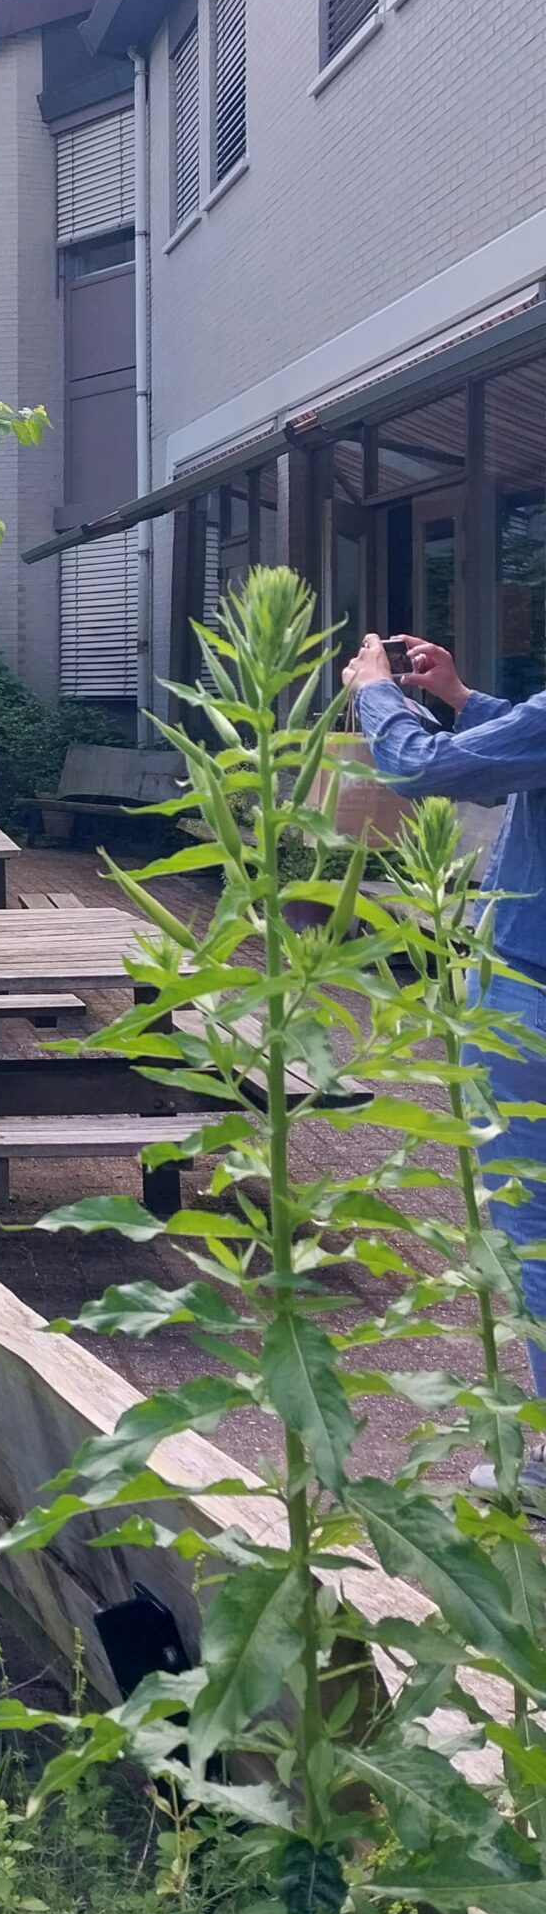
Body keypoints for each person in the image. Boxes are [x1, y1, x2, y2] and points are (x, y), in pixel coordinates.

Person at [343, 629, 546, 1496]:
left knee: (531, 1219)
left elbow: (420, 770)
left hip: (530, 986)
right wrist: (467, 703)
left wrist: (374, 691)